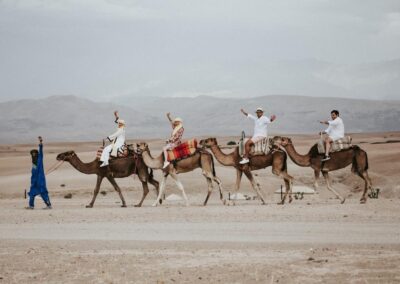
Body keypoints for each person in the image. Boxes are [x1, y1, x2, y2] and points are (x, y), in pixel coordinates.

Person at [26, 136, 52, 209]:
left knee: (43, 192)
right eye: (32, 154)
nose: (34, 155)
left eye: (35, 153)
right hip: (34, 181)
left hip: (40, 180)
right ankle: (31, 206)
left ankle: (49, 205)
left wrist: (40, 142)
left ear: (37, 154)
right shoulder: (33, 164)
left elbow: (40, 150)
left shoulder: (40, 159)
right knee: (32, 193)